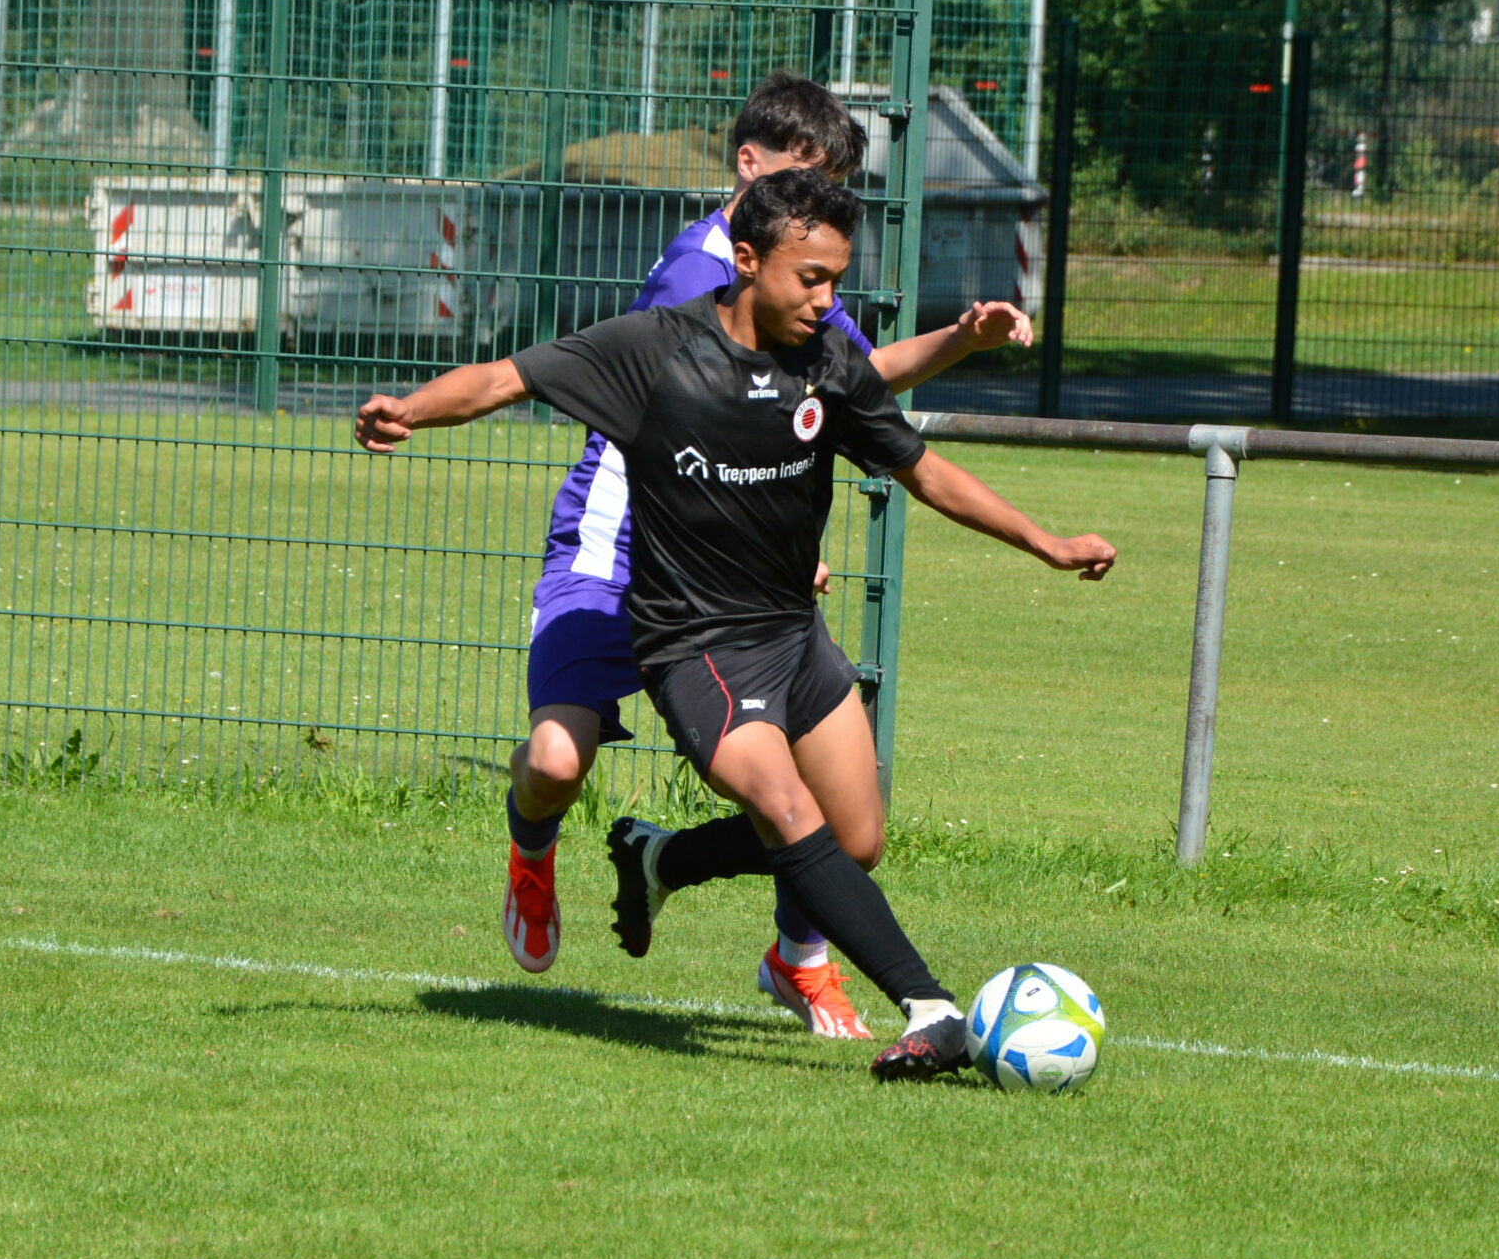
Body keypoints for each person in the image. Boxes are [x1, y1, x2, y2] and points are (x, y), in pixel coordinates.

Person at [357, 168, 1115, 1080]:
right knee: (788, 810)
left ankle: (661, 858)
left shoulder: (828, 362)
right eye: (811, 278)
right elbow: (507, 377)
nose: (826, 300)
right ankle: (932, 1006)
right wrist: (410, 409)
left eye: (837, 279)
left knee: (856, 840)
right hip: (696, 646)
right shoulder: (655, 350)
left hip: (793, 635)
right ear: (748, 260)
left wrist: (1047, 542)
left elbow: (923, 470)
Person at [502, 70, 1034, 1043]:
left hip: (717, 574)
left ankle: (782, 943)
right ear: (751, 168)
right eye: (809, 179)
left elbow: (849, 380)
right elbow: (708, 409)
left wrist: (960, 338)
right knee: (554, 759)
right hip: (620, 549)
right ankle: (532, 848)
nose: (821, 204)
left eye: (834, 189)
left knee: (830, 810)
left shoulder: (795, 277)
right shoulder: (700, 275)